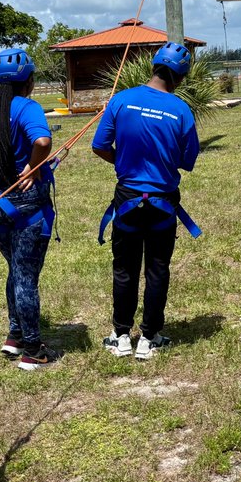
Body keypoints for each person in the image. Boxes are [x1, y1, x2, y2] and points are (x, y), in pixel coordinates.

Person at [91, 42, 201, 360]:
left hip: (127, 197)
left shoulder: (121, 101)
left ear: (153, 67)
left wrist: (124, 162)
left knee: (124, 267)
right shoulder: (180, 110)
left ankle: (121, 335)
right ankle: (149, 337)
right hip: (163, 201)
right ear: (180, 76)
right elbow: (188, 160)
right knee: (157, 268)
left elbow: (99, 145)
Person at [0, 47, 58, 370]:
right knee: (26, 275)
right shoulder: (27, 107)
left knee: (15, 268)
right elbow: (41, 142)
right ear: (29, 80)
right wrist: (32, 168)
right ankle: (32, 349)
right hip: (23, 202)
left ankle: (14, 335)